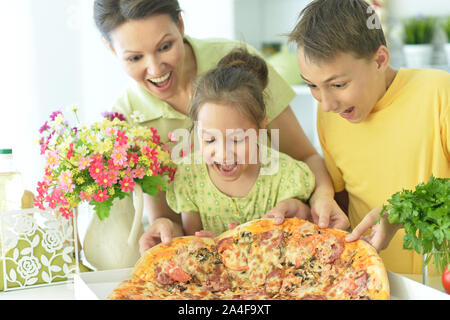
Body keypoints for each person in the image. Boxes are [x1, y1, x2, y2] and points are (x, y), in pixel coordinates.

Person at [93, 0, 349, 254]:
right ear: (112, 50)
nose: (155, 68)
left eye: (165, 46)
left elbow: (305, 157)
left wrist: (321, 199)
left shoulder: (241, 65)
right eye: (135, 57)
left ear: (180, 25)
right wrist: (164, 227)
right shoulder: (125, 119)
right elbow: (169, 217)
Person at [287, 0, 450, 274]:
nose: (326, 103)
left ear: (380, 60)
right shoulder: (330, 115)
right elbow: (343, 200)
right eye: (312, 86)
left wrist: (401, 215)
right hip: (368, 280)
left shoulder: (438, 93)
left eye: (338, 84)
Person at [166, 47, 316, 237]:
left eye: (236, 140)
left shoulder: (285, 175)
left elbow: (304, 232)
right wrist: (211, 246)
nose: (222, 154)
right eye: (210, 139)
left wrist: (299, 209)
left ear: (261, 128)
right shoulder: (189, 177)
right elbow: (192, 242)